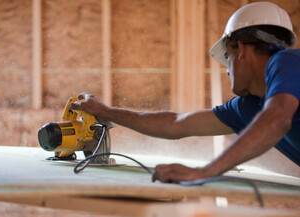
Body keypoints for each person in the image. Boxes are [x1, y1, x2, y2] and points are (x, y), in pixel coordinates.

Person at [69, 2, 300, 183]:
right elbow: (176, 123)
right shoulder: (250, 107)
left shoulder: (286, 61)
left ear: (240, 49)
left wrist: (204, 172)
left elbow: (276, 120)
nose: (227, 71)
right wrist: (105, 112)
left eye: (226, 58)